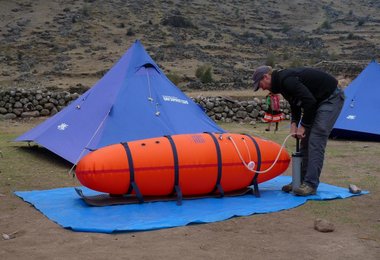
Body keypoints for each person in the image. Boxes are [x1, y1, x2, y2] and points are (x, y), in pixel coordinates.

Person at [252, 65, 344, 196]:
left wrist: (303, 125)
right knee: (305, 139)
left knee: (316, 137)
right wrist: (294, 124)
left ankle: (310, 184)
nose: (262, 88)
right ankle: (299, 181)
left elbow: (309, 102)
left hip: (330, 98)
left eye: (260, 84)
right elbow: (295, 103)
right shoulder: (280, 84)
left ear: (266, 77)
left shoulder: (286, 80)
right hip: (316, 100)